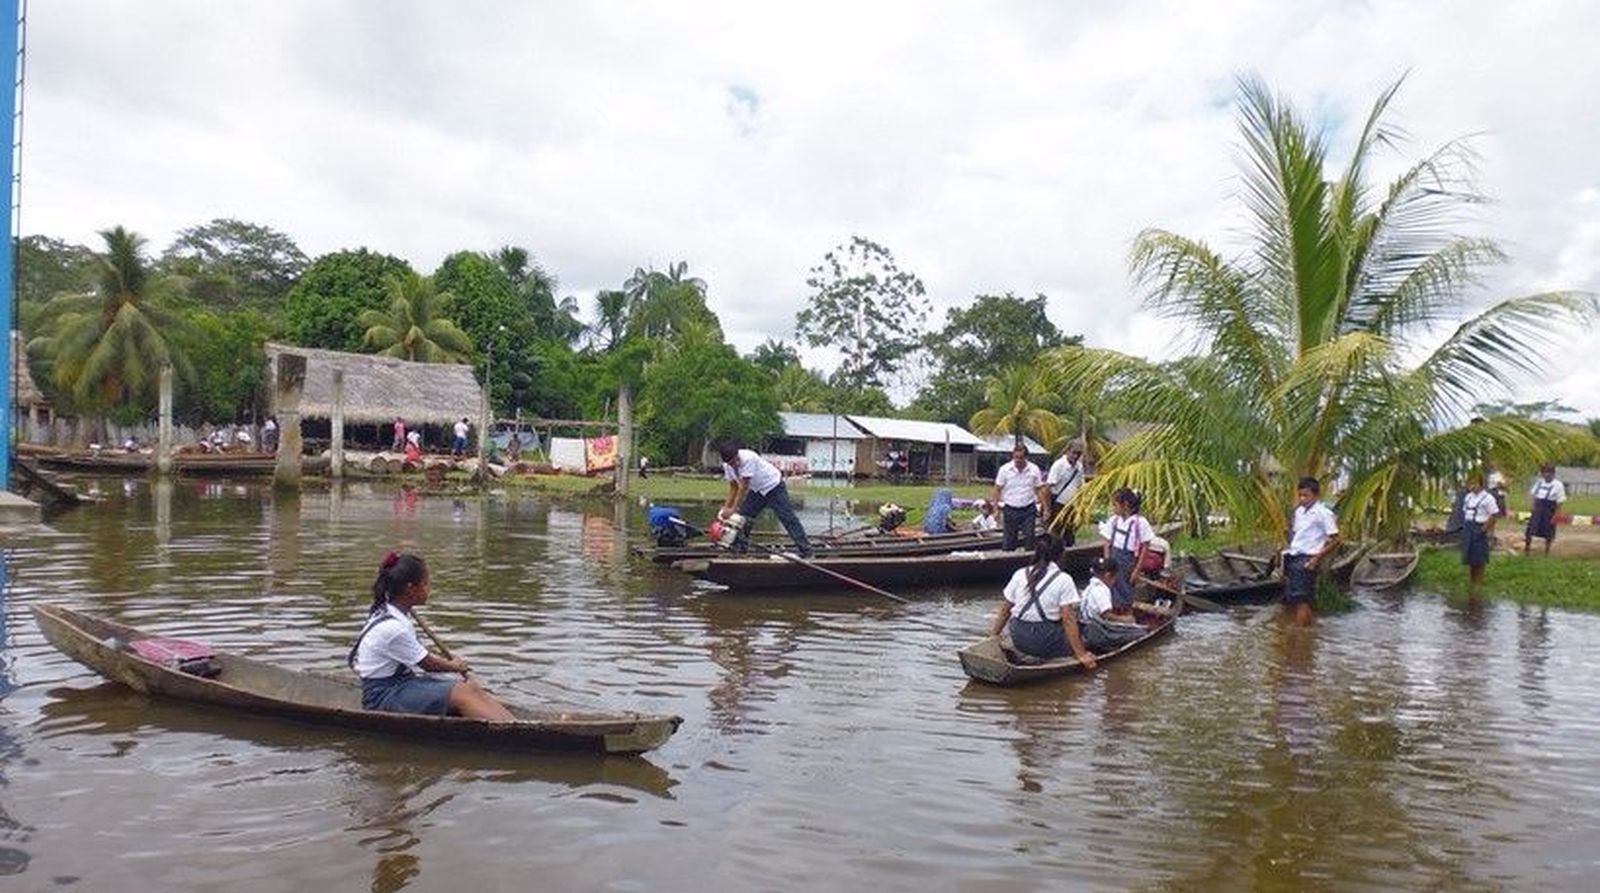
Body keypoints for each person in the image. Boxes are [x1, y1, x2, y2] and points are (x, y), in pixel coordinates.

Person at [347, 551, 512, 721]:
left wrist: (451, 665)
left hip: (401, 683)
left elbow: (419, 655)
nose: (429, 589)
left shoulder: (392, 611)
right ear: (410, 589)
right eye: (425, 584)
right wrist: (455, 666)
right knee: (464, 693)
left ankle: (515, 724)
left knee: (471, 689)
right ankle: (513, 733)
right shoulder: (393, 627)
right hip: (382, 697)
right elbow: (428, 664)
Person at [987, 534, 1096, 667]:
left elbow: (1005, 610)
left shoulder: (1020, 573)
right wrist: (1081, 654)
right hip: (1045, 639)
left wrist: (992, 637)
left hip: (1018, 636)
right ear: (1061, 555)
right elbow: (1068, 619)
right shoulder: (1064, 579)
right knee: (1086, 633)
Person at [717, 439, 812, 557]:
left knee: (787, 518)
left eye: (736, 460)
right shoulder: (727, 466)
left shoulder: (748, 458)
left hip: (773, 486)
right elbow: (733, 487)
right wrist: (726, 507)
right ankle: (740, 548)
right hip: (757, 490)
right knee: (743, 519)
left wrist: (733, 509)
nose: (735, 464)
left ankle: (806, 550)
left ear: (738, 454)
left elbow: (743, 487)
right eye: (731, 463)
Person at [1283, 476, 1340, 626]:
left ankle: (1300, 634)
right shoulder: (1299, 512)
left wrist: (1316, 559)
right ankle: (1306, 632)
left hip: (1308, 558)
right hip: (1295, 555)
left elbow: (1336, 539)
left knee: (1302, 599)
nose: (1302, 499)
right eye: (1300, 495)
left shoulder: (1323, 513)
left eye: (1306, 495)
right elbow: (1297, 535)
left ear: (1315, 495)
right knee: (1297, 598)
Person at [1099, 488, 1155, 617]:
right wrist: (1107, 561)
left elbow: (1145, 547)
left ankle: (1127, 614)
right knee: (1111, 589)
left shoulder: (1139, 522)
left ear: (1125, 505)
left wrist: (1137, 570)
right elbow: (1107, 542)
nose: (1113, 508)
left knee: (1126, 590)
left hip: (1128, 561)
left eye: (1115, 505)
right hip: (1113, 557)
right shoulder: (1114, 521)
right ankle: (1113, 614)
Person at [1077, 557, 1148, 652]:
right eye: (1114, 577)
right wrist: (1125, 620)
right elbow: (1106, 615)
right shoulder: (1101, 589)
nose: (1115, 581)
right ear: (1108, 575)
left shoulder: (1089, 587)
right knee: (1141, 633)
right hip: (1096, 631)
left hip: (1087, 627)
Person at [990, 443, 1047, 551]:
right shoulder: (1005, 469)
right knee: (1009, 541)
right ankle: (1008, 562)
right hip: (1010, 509)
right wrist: (995, 509)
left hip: (1028, 509)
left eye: (1021, 458)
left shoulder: (1034, 469)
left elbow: (1040, 489)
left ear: (1026, 457)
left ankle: (1029, 563)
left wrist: (1045, 509)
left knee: (1030, 538)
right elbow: (997, 489)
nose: (1018, 460)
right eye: (1015, 457)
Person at [1461, 474, 1497, 592]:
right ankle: (1472, 581)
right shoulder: (1468, 497)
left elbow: (1494, 515)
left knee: (1480, 558)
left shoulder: (1488, 498)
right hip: (1468, 527)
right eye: (1470, 483)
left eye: (1475, 483)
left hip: (1479, 527)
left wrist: (1484, 529)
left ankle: (1479, 583)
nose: (1472, 486)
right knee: (1470, 557)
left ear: (1481, 484)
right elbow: (1465, 512)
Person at [1524, 463, 1566, 555]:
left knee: (1548, 531)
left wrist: (1556, 514)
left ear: (1553, 474)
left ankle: (1547, 550)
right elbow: (1533, 495)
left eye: (1549, 473)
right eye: (1545, 473)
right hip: (1538, 508)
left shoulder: (1558, 485)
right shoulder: (1539, 482)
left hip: (1550, 508)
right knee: (1530, 529)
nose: (1547, 475)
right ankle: (1527, 548)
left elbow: (1560, 501)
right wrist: (1532, 506)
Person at [1045, 440, 1087, 529]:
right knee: (1057, 535)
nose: (1076, 456)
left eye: (1079, 454)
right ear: (1067, 451)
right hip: (1057, 506)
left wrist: (1081, 506)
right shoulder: (1059, 465)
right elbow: (1048, 488)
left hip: (1072, 506)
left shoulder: (1079, 466)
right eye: (1074, 453)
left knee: (1069, 535)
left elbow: (1080, 486)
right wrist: (1047, 510)